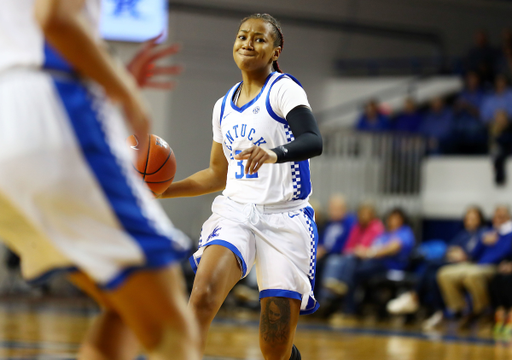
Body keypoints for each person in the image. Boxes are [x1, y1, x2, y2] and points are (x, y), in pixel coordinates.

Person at [0, 1, 200, 360]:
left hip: (16, 120)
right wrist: (125, 91)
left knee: (128, 305)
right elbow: (55, 20)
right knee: (173, 327)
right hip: (45, 114)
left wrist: (102, 75)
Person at [160, 13, 323, 360]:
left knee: (274, 348)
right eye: (242, 36)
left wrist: (274, 153)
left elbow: (313, 139)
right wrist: (163, 189)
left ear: (276, 51)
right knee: (202, 297)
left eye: (259, 38)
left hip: (285, 220)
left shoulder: (283, 89)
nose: (248, 42)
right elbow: (217, 175)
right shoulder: (223, 107)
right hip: (236, 213)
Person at [387, 206, 486, 330]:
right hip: (453, 262)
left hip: (467, 265)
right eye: (468, 218)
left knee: (434, 267)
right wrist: (455, 253)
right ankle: (437, 310)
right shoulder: (463, 234)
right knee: (432, 272)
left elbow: (478, 254)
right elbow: (449, 248)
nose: (470, 221)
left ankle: (414, 297)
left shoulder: (483, 234)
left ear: (480, 219)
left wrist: (465, 255)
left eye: (473, 218)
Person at [437, 205, 512, 328]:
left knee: (471, 276)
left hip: (494, 267)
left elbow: (506, 253)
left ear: (508, 218)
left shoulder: (509, 235)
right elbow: (473, 254)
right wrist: (482, 242)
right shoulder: (489, 232)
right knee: (444, 273)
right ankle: (461, 310)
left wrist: (498, 242)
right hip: (477, 264)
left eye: (501, 216)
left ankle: (483, 311)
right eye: (495, 216)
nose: (497, 219)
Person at [343, 208, 415, 316]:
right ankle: (344, 291)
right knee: (352, 265)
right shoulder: (386, 234)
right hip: (376, 263)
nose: (393, 221)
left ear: (402, 220)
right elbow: (374, 246)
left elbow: (391, 248)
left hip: (391, 267)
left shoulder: (405, 232)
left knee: (357, 273)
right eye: (391, 218)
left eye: (396, 218)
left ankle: (350, 310)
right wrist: (364, 252)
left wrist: (368, 253)